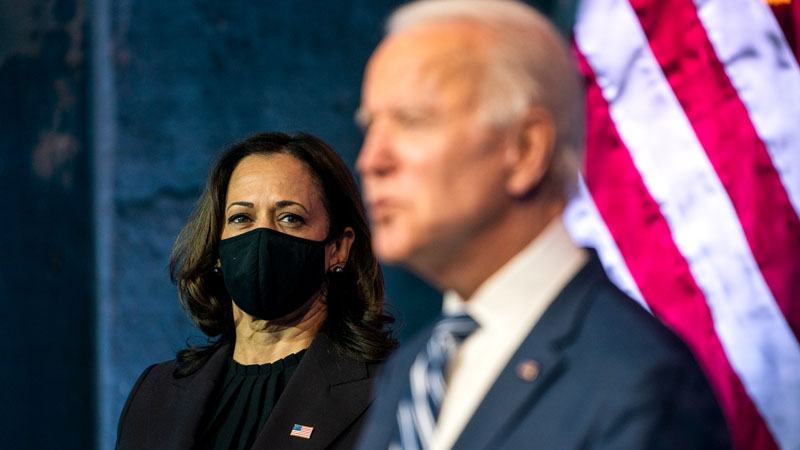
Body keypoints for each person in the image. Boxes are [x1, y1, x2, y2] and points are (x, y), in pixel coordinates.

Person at [353, 1, 732, 449]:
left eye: (412, 121)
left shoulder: (643, 384)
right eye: (370, 127)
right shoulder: (409, 371)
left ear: (526, 149)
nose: (371, 160)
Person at [115, 132, 396, 450]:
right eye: (241, 218)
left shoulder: (390, 393)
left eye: (290, 218)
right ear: (216, 248)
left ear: (338, 249)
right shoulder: (154, 395)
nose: (262, 236)